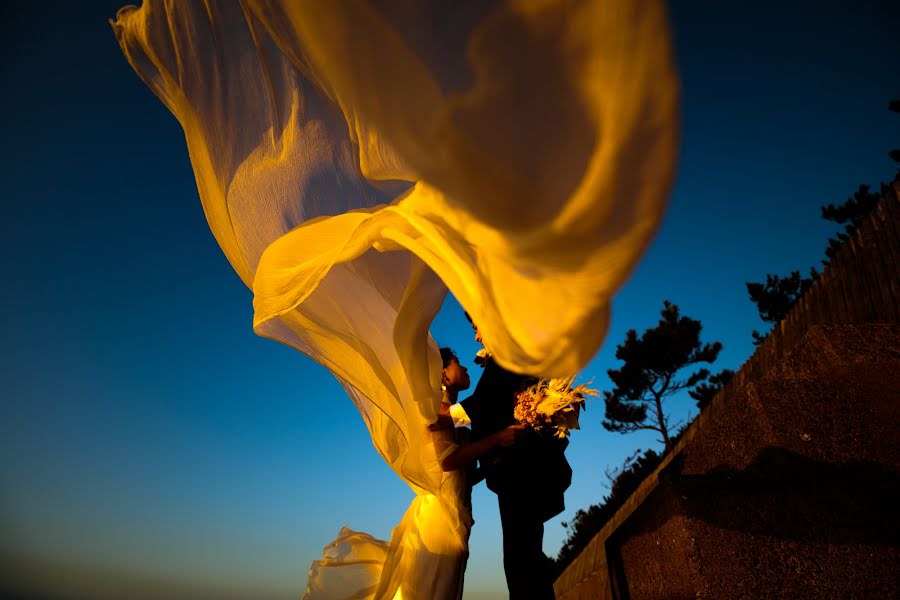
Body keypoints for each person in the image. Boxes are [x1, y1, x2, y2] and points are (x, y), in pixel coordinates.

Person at [451, 319, 572, 600]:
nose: (477, 337)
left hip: (522, 473)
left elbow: (484, 403)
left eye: (477, 327)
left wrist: (443, 417)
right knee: (524, 559)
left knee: (521, 562)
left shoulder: (510, 354)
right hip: (515, 473)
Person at [430, 347, 530, 600]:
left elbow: (468, 471)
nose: (464, 368)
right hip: (441, 513)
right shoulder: (438, 410)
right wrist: (498, 438)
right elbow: (448, 461)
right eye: (457, 363)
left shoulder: (454, 416)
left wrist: (496, 458)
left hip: (459, 508)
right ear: (443, 375)